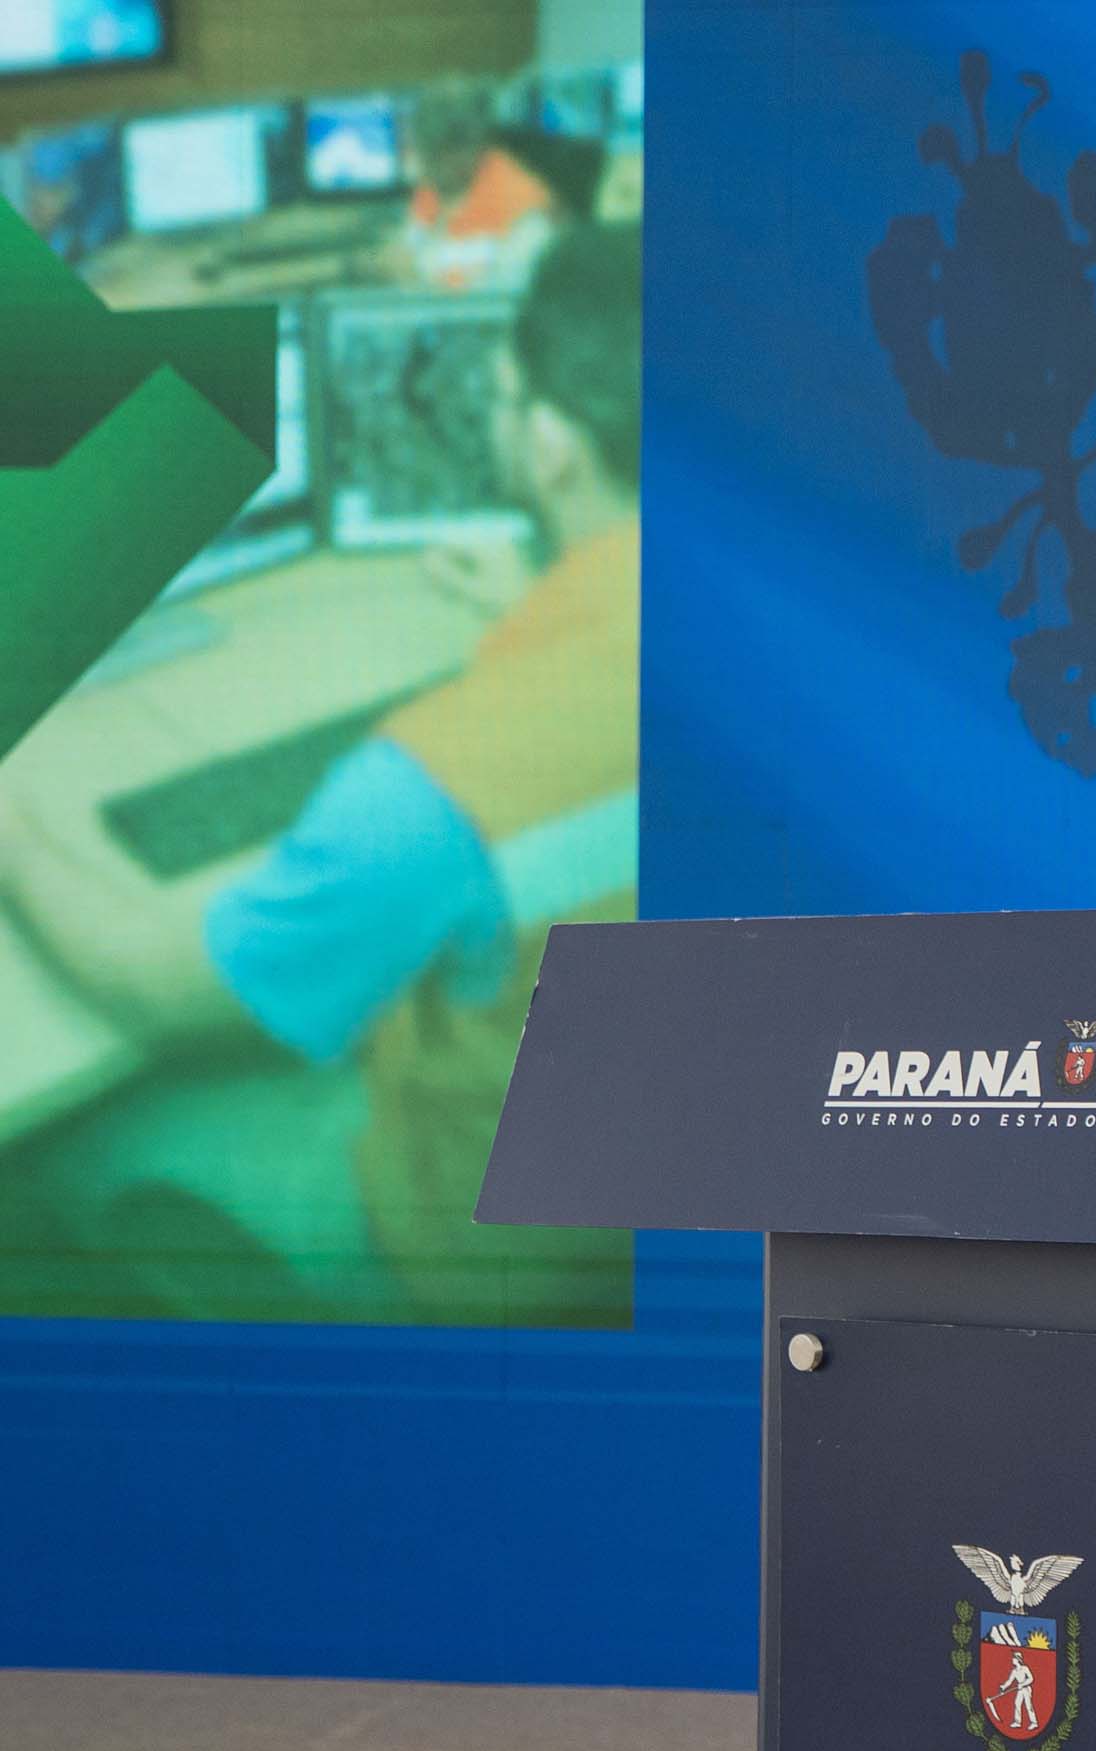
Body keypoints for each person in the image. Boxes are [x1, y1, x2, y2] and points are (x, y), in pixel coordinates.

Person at [0, 226, 643, 1327]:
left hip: (479, 1246)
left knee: (58, 1132)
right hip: (665, 1174)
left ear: (551, 447)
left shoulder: (439, 784)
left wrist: (11, 822)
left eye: (500, 398)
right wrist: (551, 606)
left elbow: (152, 984)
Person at [390, 82, 558, 291]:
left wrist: (422, 274)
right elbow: (409, 247)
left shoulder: (523, 210)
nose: (424, 169)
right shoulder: (434, 186)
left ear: (466, 150)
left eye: (433, 156)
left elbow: (509, 293)